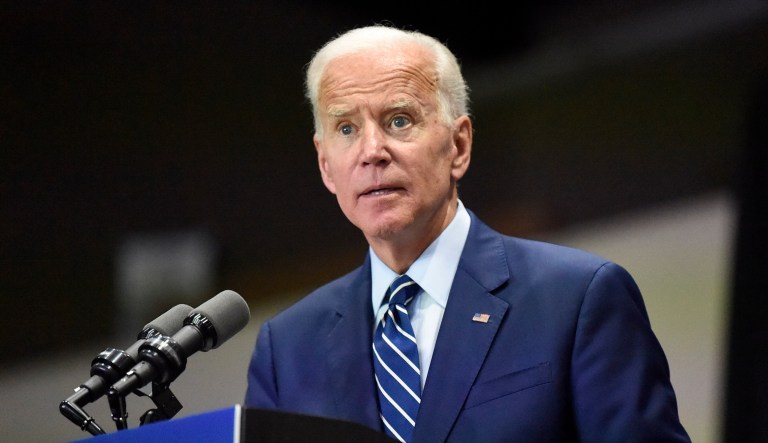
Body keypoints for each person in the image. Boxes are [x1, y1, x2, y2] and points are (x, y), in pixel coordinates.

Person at [244, 24, 691, 442]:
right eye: (346, 128)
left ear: (458, 146)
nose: (372, 151)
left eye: (399, 120)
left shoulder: (578, 299)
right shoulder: (287, 350)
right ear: (326, 165)